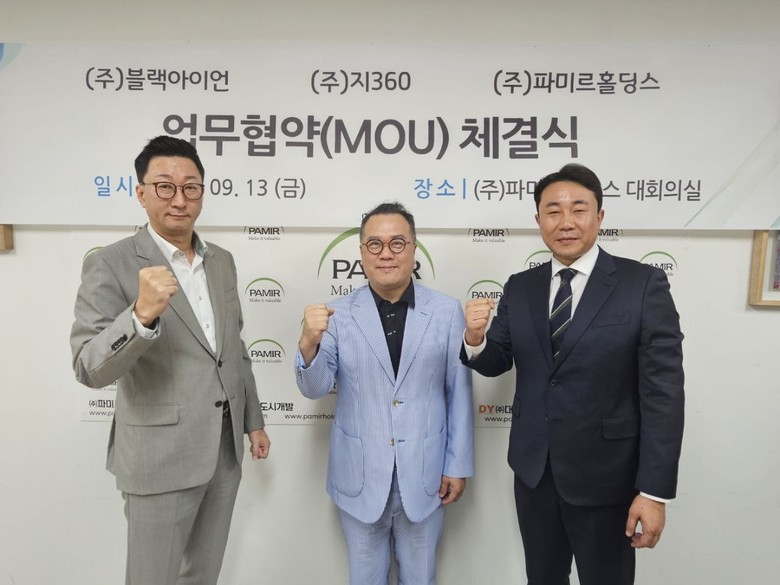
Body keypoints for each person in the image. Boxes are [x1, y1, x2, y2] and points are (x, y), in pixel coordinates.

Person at [462, 164, 684, 585]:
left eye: (579, 209)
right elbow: (496, 361)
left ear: (599, 216)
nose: (566, 222)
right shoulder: (520, 286)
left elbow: (664, 394)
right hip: (534, 472)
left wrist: (653, 492)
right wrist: (475, 339)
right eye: (553, 211)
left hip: (608, 477)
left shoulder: (642, 284)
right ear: (538, 220)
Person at [70, 135, 270, 585]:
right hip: (158, 456)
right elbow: (88, 366)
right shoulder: (111, 263)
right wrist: (139, 316)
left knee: (203, 575)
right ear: (141, 192)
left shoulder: (222, 261)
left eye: (190, 187)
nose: (179, 200)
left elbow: (233, 349)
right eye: (165, 187)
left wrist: (252, 421)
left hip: (223, 452)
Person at [295, 202, 474, 585]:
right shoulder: (336, 315)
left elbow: (458, 391)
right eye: (375, 244)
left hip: (426, 477)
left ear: (413, 249)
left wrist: (457, 465)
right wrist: (308, 343)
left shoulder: (446, 311)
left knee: (421, 578)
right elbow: (314, 388)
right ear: (362, 253)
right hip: (358, 478)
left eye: (397, 243)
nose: (386, 253)